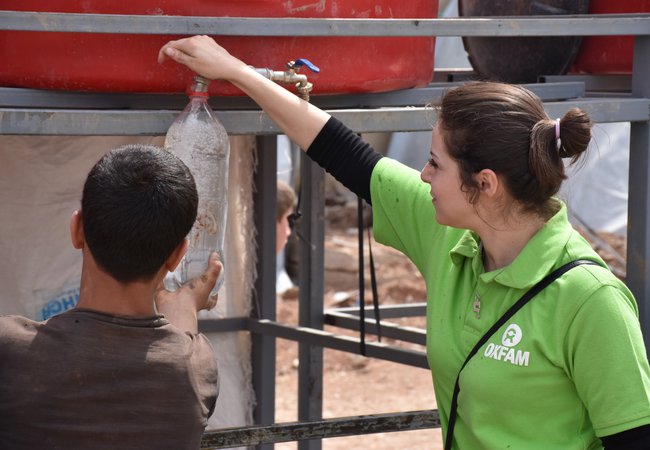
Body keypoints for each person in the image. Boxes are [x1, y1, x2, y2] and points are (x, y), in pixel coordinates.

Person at [158, 36, 650, 449]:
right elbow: (339, 149)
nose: (422, 174)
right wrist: (234, 70)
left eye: (435, 164)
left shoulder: (591, 300)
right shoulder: (453, 231)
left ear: (485, 185)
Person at [0, 144, 221, 450]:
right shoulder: (198, 366)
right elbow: (181, 347)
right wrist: (184, 303)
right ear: (177, 256)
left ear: (77, 229)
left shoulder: (9, 349)